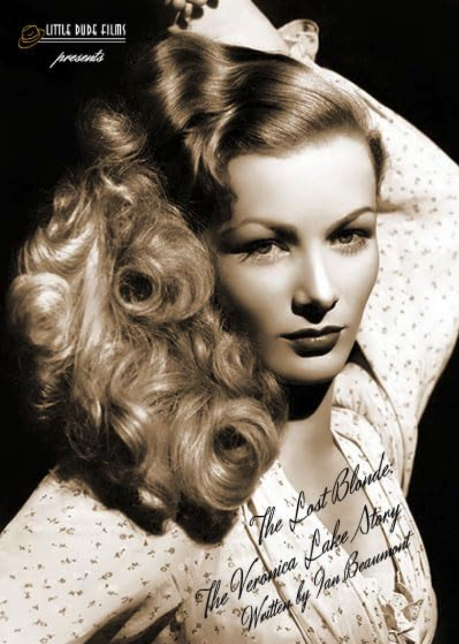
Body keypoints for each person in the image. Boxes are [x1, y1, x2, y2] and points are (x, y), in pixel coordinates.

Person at [1, 3, 458, 643]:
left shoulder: (367, 430)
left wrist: (262, 59)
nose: (321, 292)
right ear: (182, 257)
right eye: (265, 245)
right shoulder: (151, 500)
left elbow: (444, 209)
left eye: (349, 235)